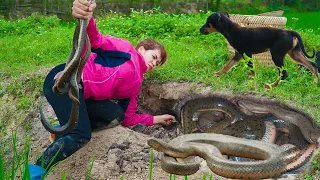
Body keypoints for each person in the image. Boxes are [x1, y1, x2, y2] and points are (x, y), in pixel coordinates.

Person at [28, 0, 176, 179]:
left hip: (82, 97)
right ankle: (34, 173)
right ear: (142, 49)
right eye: (154, 56)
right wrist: (87, 16)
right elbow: (96, 39)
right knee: (81, 136)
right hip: (65, 80)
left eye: (157, 63)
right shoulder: (125, 49)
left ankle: (63, 129)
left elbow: (128, 118)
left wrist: (157, 119)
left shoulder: (136, 84)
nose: (154, 63)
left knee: (117, 114)